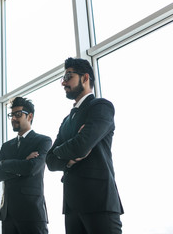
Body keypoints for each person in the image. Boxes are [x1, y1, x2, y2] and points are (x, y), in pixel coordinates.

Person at [46, 57, 124, 234]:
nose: (63, 82)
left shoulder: (101, 106)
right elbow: (50, 161)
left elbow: (81, 146)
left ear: (85, 78)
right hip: (72, 205)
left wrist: (65, 150)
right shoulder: (67, 120)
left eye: (68, 76)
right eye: (63, 78)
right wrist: (68, 159)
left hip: (99, 201)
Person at [0, 97, 52, 234]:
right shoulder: (6, 146)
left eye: (18, 114)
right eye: (11, 115)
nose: (13, 118)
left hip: (32, 212)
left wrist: (5, 164)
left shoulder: (43, 141)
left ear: (29, 116)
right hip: (8, 215)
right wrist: (24, 161)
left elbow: (32, 168)